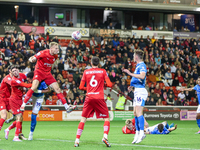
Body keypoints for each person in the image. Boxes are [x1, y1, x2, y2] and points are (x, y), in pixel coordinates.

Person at [20, 42, 75, 113]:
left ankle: (67, 107)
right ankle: (23, 104)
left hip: (47, 74)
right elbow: (33, 57)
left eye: (57, 48)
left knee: (57, 89)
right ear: (51, 48)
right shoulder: (43, 53)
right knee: (34, 87)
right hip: (39, 72)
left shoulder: (55, 56)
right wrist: (32, 59)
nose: (57, 49)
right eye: (56, 48)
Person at [74, 56, 112, 147]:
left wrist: (89, 88)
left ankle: (77, 140)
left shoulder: (86, 72)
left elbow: (80, 87)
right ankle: (105, 137)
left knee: (83, 119)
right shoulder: (103, 71)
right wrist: (103, 84)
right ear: (99, 63)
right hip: (99, 97)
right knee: (106, 118)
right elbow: (110, 84)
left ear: (91, 63)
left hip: (89, 97)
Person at [123, 49, 148, 144]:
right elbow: (138, 78)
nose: (133, 57)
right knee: (135, 113)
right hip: (136, 90)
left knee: (138, 112)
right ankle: (137, 133)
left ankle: (142, 132)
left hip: (141, 91)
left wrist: (129, 73)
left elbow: (142, 76)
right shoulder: (138, 65)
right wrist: (132, 86)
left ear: (136, 56)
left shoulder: (142, 65)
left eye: (134, 55)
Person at [5, 66, 32, 141]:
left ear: (18, 70)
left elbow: (28, 77)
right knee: (19, 117)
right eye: (13, 71)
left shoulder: (22, 75)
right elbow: (26, 85)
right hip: (14, 100)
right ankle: (16, 136)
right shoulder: (14, 80)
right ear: (12, 73)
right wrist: (36, 84)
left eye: (15, 70)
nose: (15, 72)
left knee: (21, 119)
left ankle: (8, 129)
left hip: (20, 99)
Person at [26, 72, 51, 141]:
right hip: (31, 96)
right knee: (19, 102)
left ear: (32, 78)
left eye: (29, 80)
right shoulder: (29, 78)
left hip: (39, 98)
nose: (28, 81)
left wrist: (39, 91)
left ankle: (31, 133)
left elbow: (49, 90)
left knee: (33, 116)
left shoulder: (42, 82)